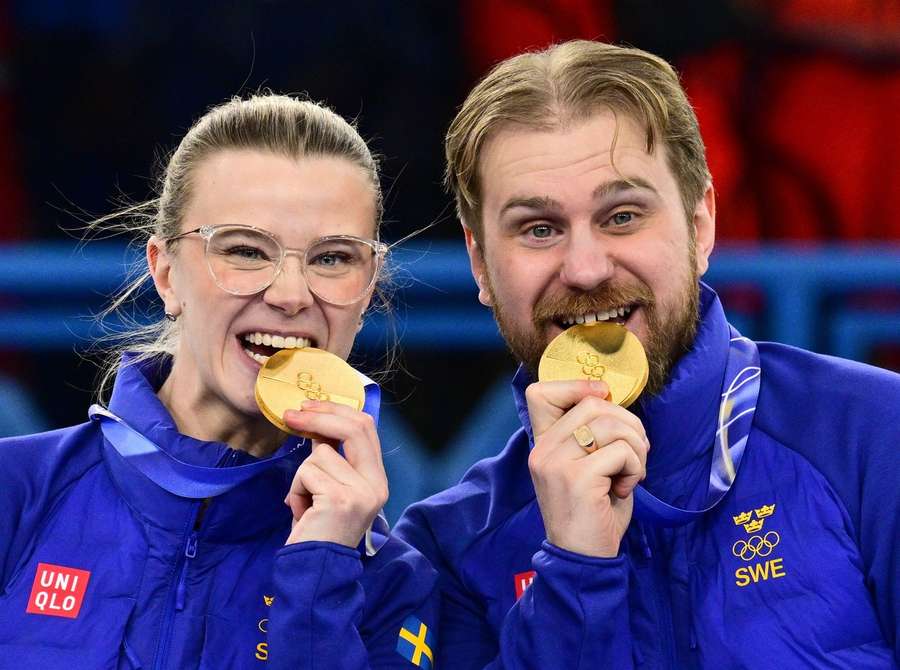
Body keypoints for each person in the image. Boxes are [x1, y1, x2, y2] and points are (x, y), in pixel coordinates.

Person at [395, 40, 899, 668]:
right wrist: (575, 572)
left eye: (623, 215)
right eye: (539, 229)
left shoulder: (874, 434)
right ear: (479, 262)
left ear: (701, 224)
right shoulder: (449, 548)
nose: (584, 269)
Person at [0, 94, 437, 669]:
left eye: (332, 259)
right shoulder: (16, 493)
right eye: (246, 250)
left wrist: (323, 569)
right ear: (164, 272)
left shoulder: (392, 582)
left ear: (369, 290)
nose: (290, 294)